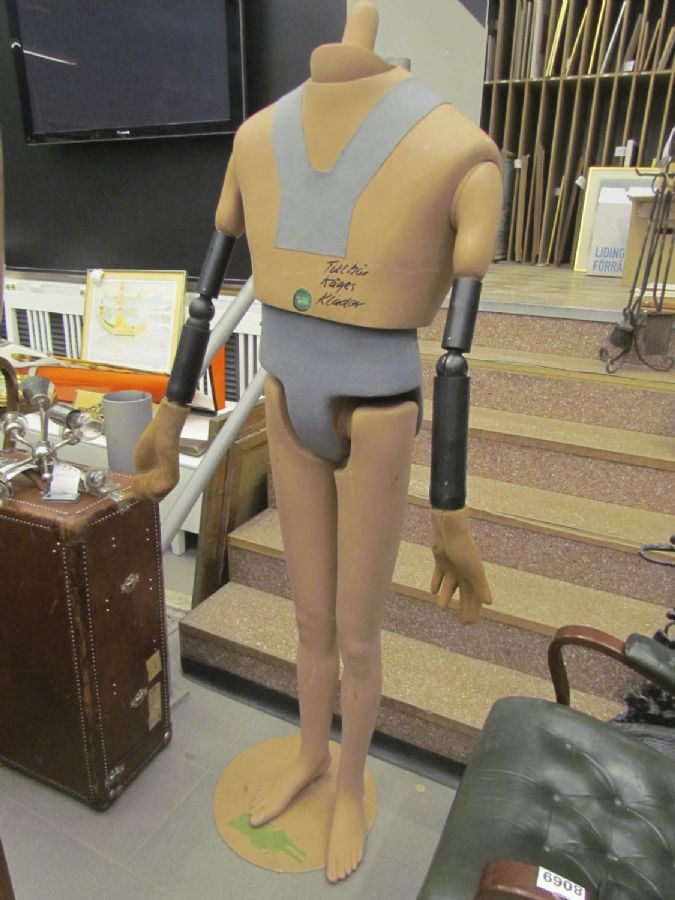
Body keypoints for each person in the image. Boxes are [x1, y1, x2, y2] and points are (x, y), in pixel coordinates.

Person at [133, 2, 501, 883]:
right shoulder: (257, 137)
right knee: (309, 620)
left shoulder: (461, 150)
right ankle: (308, 753)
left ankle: (347, 784)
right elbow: (207, 290)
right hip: (289, 394)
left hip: (377, 412)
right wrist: (169, 416)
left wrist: (449, 510)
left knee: (357, 635)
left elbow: (456, 350)